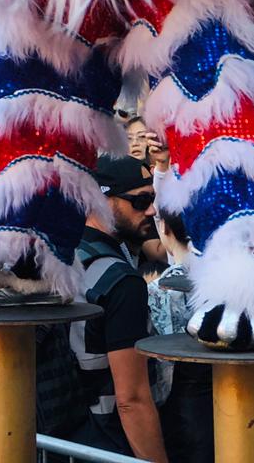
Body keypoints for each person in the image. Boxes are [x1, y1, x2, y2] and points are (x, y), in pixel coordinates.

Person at [69, 154, 163, 460]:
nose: (152, 209)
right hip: (110, 441)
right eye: (140, 201)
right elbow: (131, 399)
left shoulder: (64, 254)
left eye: (153, 198)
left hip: (68, 434)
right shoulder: (122, 283)